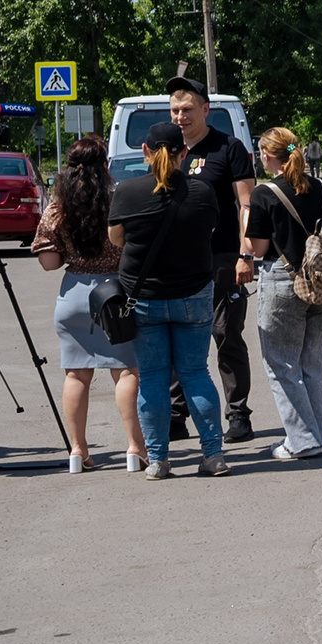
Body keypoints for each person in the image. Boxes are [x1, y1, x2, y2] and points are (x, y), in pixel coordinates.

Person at [109, 122, 229, 479]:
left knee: (153, 378)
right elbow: (208, 231)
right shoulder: (202, 191)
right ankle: (213, 455)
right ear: (184, 153)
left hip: (143, 298)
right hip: (193, 294)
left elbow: (116, 240)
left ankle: (159, 460)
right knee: (196, 373)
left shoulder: (127, 192)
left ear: (145, 151)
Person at [32, 134, 146, 473]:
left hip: (74, 295)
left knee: (76, 374)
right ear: (105, 166)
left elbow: (50, 262)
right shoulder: (118, 202)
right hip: (114, 292)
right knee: (126, 370)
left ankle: (78, 451)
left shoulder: (57, 209)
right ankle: (135, 448)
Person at [166, 75, 257, 445]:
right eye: (174, 110)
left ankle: (238, 414)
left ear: (205, 109)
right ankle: (176, 415)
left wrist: (245, 254)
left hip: (222, 257)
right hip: (178, 262)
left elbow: (247, 204)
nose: (180, 117)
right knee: (179, 339)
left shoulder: (228, 148)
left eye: (187, 109)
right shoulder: (167, 150)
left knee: (225, 334)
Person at [243, 127, 322, 460]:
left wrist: (245, 226)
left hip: (283, 281)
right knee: (313, 364)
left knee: (282, 364)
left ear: (268, 155)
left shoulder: (264, 193)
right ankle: (318, 435)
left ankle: (301, 440)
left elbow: (258, 248)